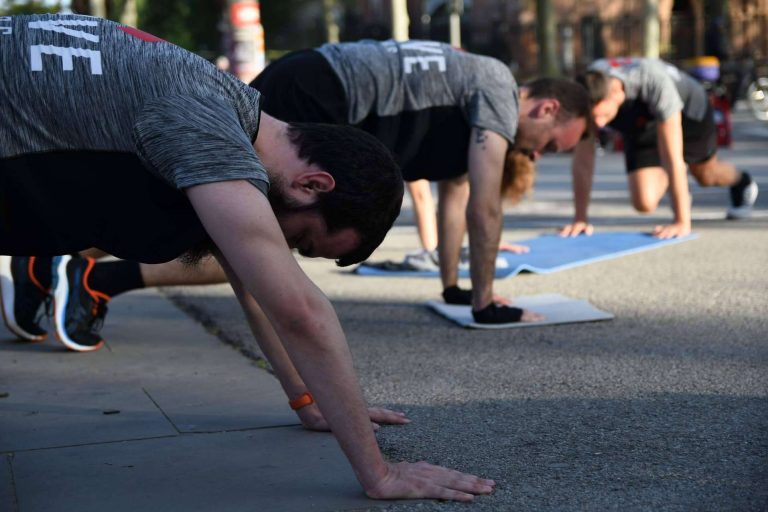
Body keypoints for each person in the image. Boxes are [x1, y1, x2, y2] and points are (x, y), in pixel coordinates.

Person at [0, 14, 494, 502]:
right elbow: (298, 310)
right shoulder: (209, 130)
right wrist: (380, 474)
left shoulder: (226, 103)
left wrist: (308, 400)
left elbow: (255, 286)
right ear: (314, 183)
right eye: (302, 240)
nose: (286, 253)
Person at [560, 57, 759, 239]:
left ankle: (742, 181)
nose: (600, 125)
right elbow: (583, 162)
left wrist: (681, 222)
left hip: (689, 113)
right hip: (643, 123)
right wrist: (580, 219)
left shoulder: (654, 83)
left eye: (602, 116)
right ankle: (678, 183)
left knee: (705, 175)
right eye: (594, 118)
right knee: (644, 202)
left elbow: (672, 158)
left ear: (616, 93)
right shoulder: (589, 85)